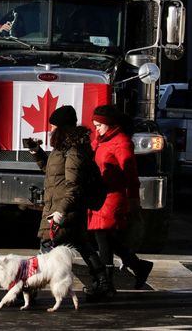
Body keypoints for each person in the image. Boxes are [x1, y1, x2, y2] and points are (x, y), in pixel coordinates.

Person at [27, 105, 113, 301]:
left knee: (46, 248)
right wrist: (36, 152)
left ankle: (30, 290)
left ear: (63, 128)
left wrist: (60, 212)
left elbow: (73, 185)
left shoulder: (73, 150)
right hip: (66, 208)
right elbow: (52, 174)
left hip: (63, 208)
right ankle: (103, 282)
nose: (50, 130)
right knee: (82, 244)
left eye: (53, 126)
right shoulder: (65, 148)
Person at [89, 105, 154, 291]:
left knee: (102, 235)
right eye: (94, 125)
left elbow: (131, 175)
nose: (96, 129)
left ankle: (106, 282)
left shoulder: (122, 143)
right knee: (107, 238)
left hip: (112, 196)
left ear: (109, 124)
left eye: (99, 125)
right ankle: (139, 266)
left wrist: (134, 201)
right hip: (100, 196)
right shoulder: (100, 140)